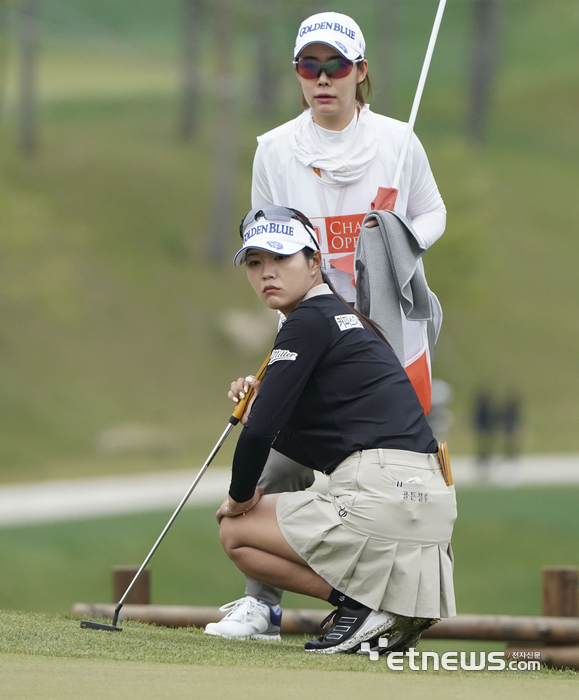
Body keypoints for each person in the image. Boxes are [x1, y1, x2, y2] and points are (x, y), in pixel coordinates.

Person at [205, 11, 447, 640]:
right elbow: (267, 234)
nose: (323, 78)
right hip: (312, 323)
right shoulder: (275, 149)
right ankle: (264, 601)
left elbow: (431, 213)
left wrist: (397, 245)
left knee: (376, 463)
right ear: (297, 74)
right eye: (310, 66)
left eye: (336, 66)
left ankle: (384, 595)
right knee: (275, 456)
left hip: (383, 334)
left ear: (360, 73)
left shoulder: (398, 142)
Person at [208, 207, 456, 654]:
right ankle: (379, 609)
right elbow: (329, 444)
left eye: (281, 259)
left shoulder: (307, 321)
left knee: (235, 530)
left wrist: (240, 497)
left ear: (315, 261)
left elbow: (259, 436)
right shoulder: (352, 323)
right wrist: (261, 410)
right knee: (251, 519)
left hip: (383, 499)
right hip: (428, 507)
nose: (267, 273)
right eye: (255, 262)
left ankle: (357, 605)